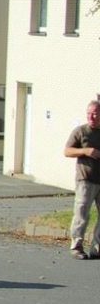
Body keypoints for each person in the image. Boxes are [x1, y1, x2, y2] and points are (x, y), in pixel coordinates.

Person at [64, 100, 100, 260]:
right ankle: (76, 246)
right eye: (89, 113)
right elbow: (67, 151)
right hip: (86, 179)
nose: (92, 117)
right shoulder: (81, 131)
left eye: (95, 113)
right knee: (82, 213)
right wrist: (85, 151)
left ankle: (97, 248)